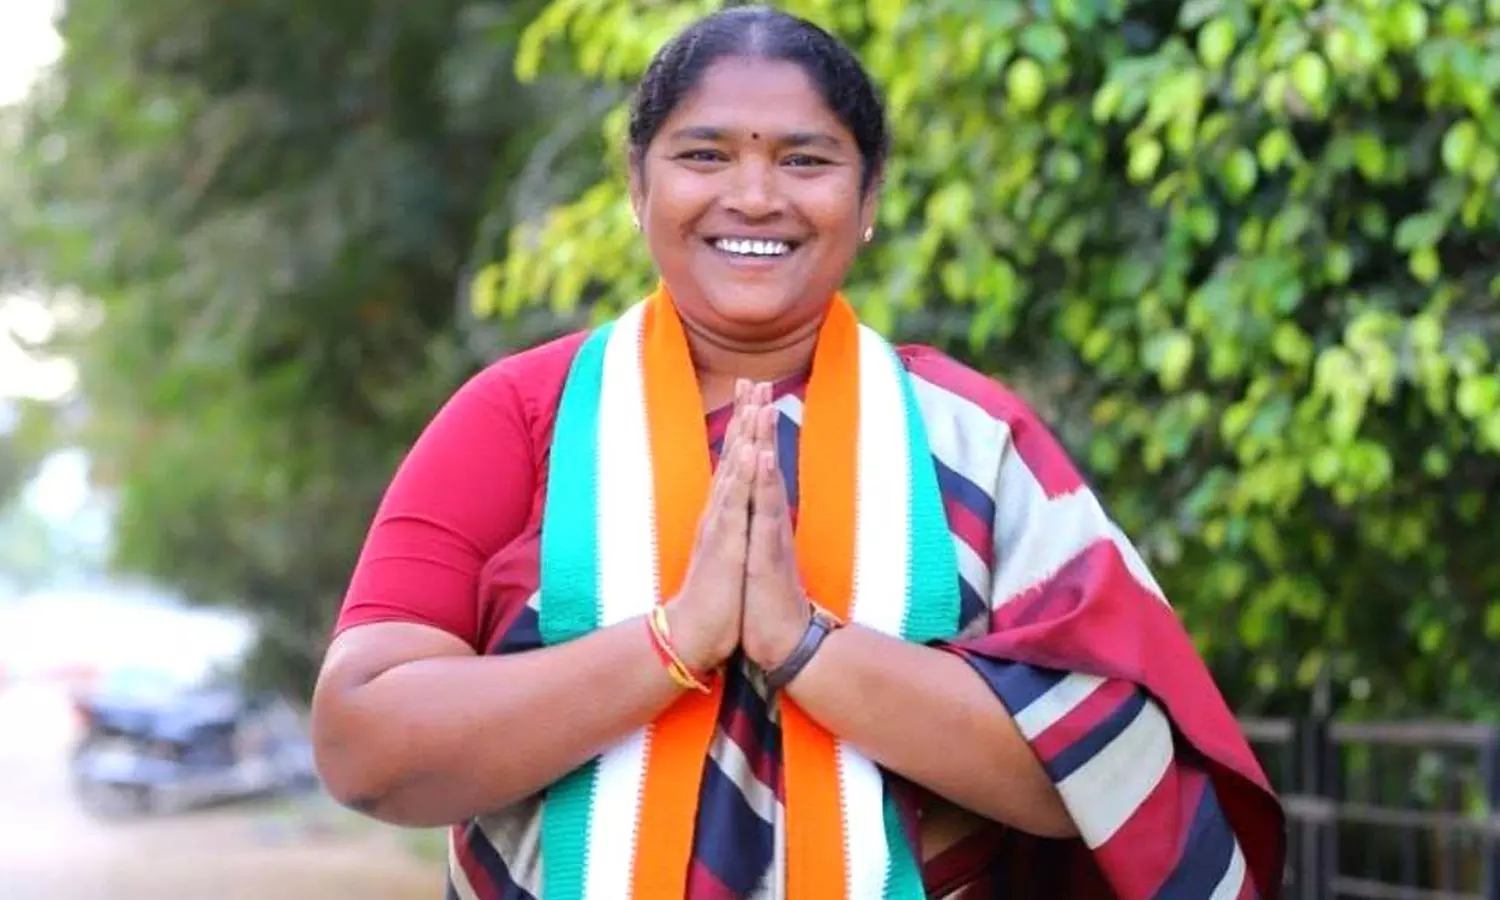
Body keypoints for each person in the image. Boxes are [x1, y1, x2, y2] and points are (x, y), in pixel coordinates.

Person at [310, 6, 1285, 898]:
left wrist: (802, 647)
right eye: (704, 155)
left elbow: (1113, 780)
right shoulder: (520, 420)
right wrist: (675, 643)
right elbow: (362, 747)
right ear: (639, 187)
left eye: (806, 160)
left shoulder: (973, 442)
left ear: (868, 198)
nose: (754, 195)